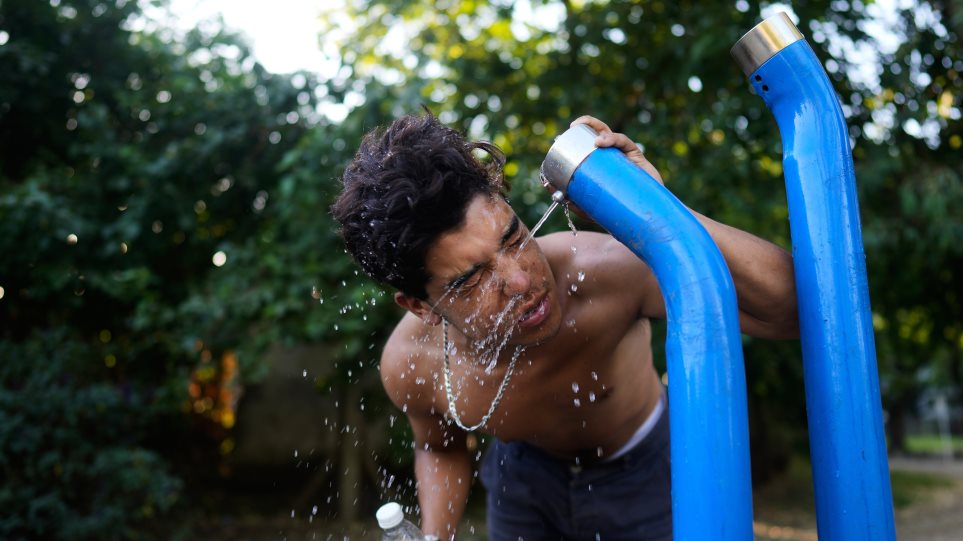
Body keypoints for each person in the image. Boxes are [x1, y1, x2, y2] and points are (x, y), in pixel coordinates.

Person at [332, 111, 798, 541]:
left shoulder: (600, 273)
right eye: (473, 279)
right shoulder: (414, 364)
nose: (520, 280)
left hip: (649, 470)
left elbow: (794, 311)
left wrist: (657, 214)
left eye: (515, 238)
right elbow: (439, 448)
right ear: (420, 305)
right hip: (523, 485)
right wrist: (437, 536)